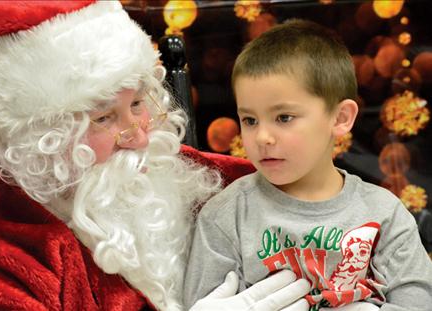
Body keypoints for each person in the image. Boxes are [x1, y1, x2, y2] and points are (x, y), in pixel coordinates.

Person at [0, 1, 312, 310]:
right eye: (103, 118)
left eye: (137, 104)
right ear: (39, 139)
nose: (140, 136)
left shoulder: (196, 177)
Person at [184, 19, 432, 311]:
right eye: (250, 120)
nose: (262, 136)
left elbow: (418, 301)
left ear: (340, 118)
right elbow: (204, 301)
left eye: (284, 117)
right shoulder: (226, 217)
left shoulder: (385, 214)